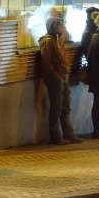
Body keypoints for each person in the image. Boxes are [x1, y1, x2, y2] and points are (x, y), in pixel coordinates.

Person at [38, 16, 82, 145]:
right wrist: (55, 76)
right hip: (55, 79)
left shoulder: (57, 40)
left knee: (65, 107)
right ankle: (56, 136)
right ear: (53, 26)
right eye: (59, 25)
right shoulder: (48, 41)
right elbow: (46, 62)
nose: (62, 26)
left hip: (62, 78)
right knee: (56, 107)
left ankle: (69, 133)